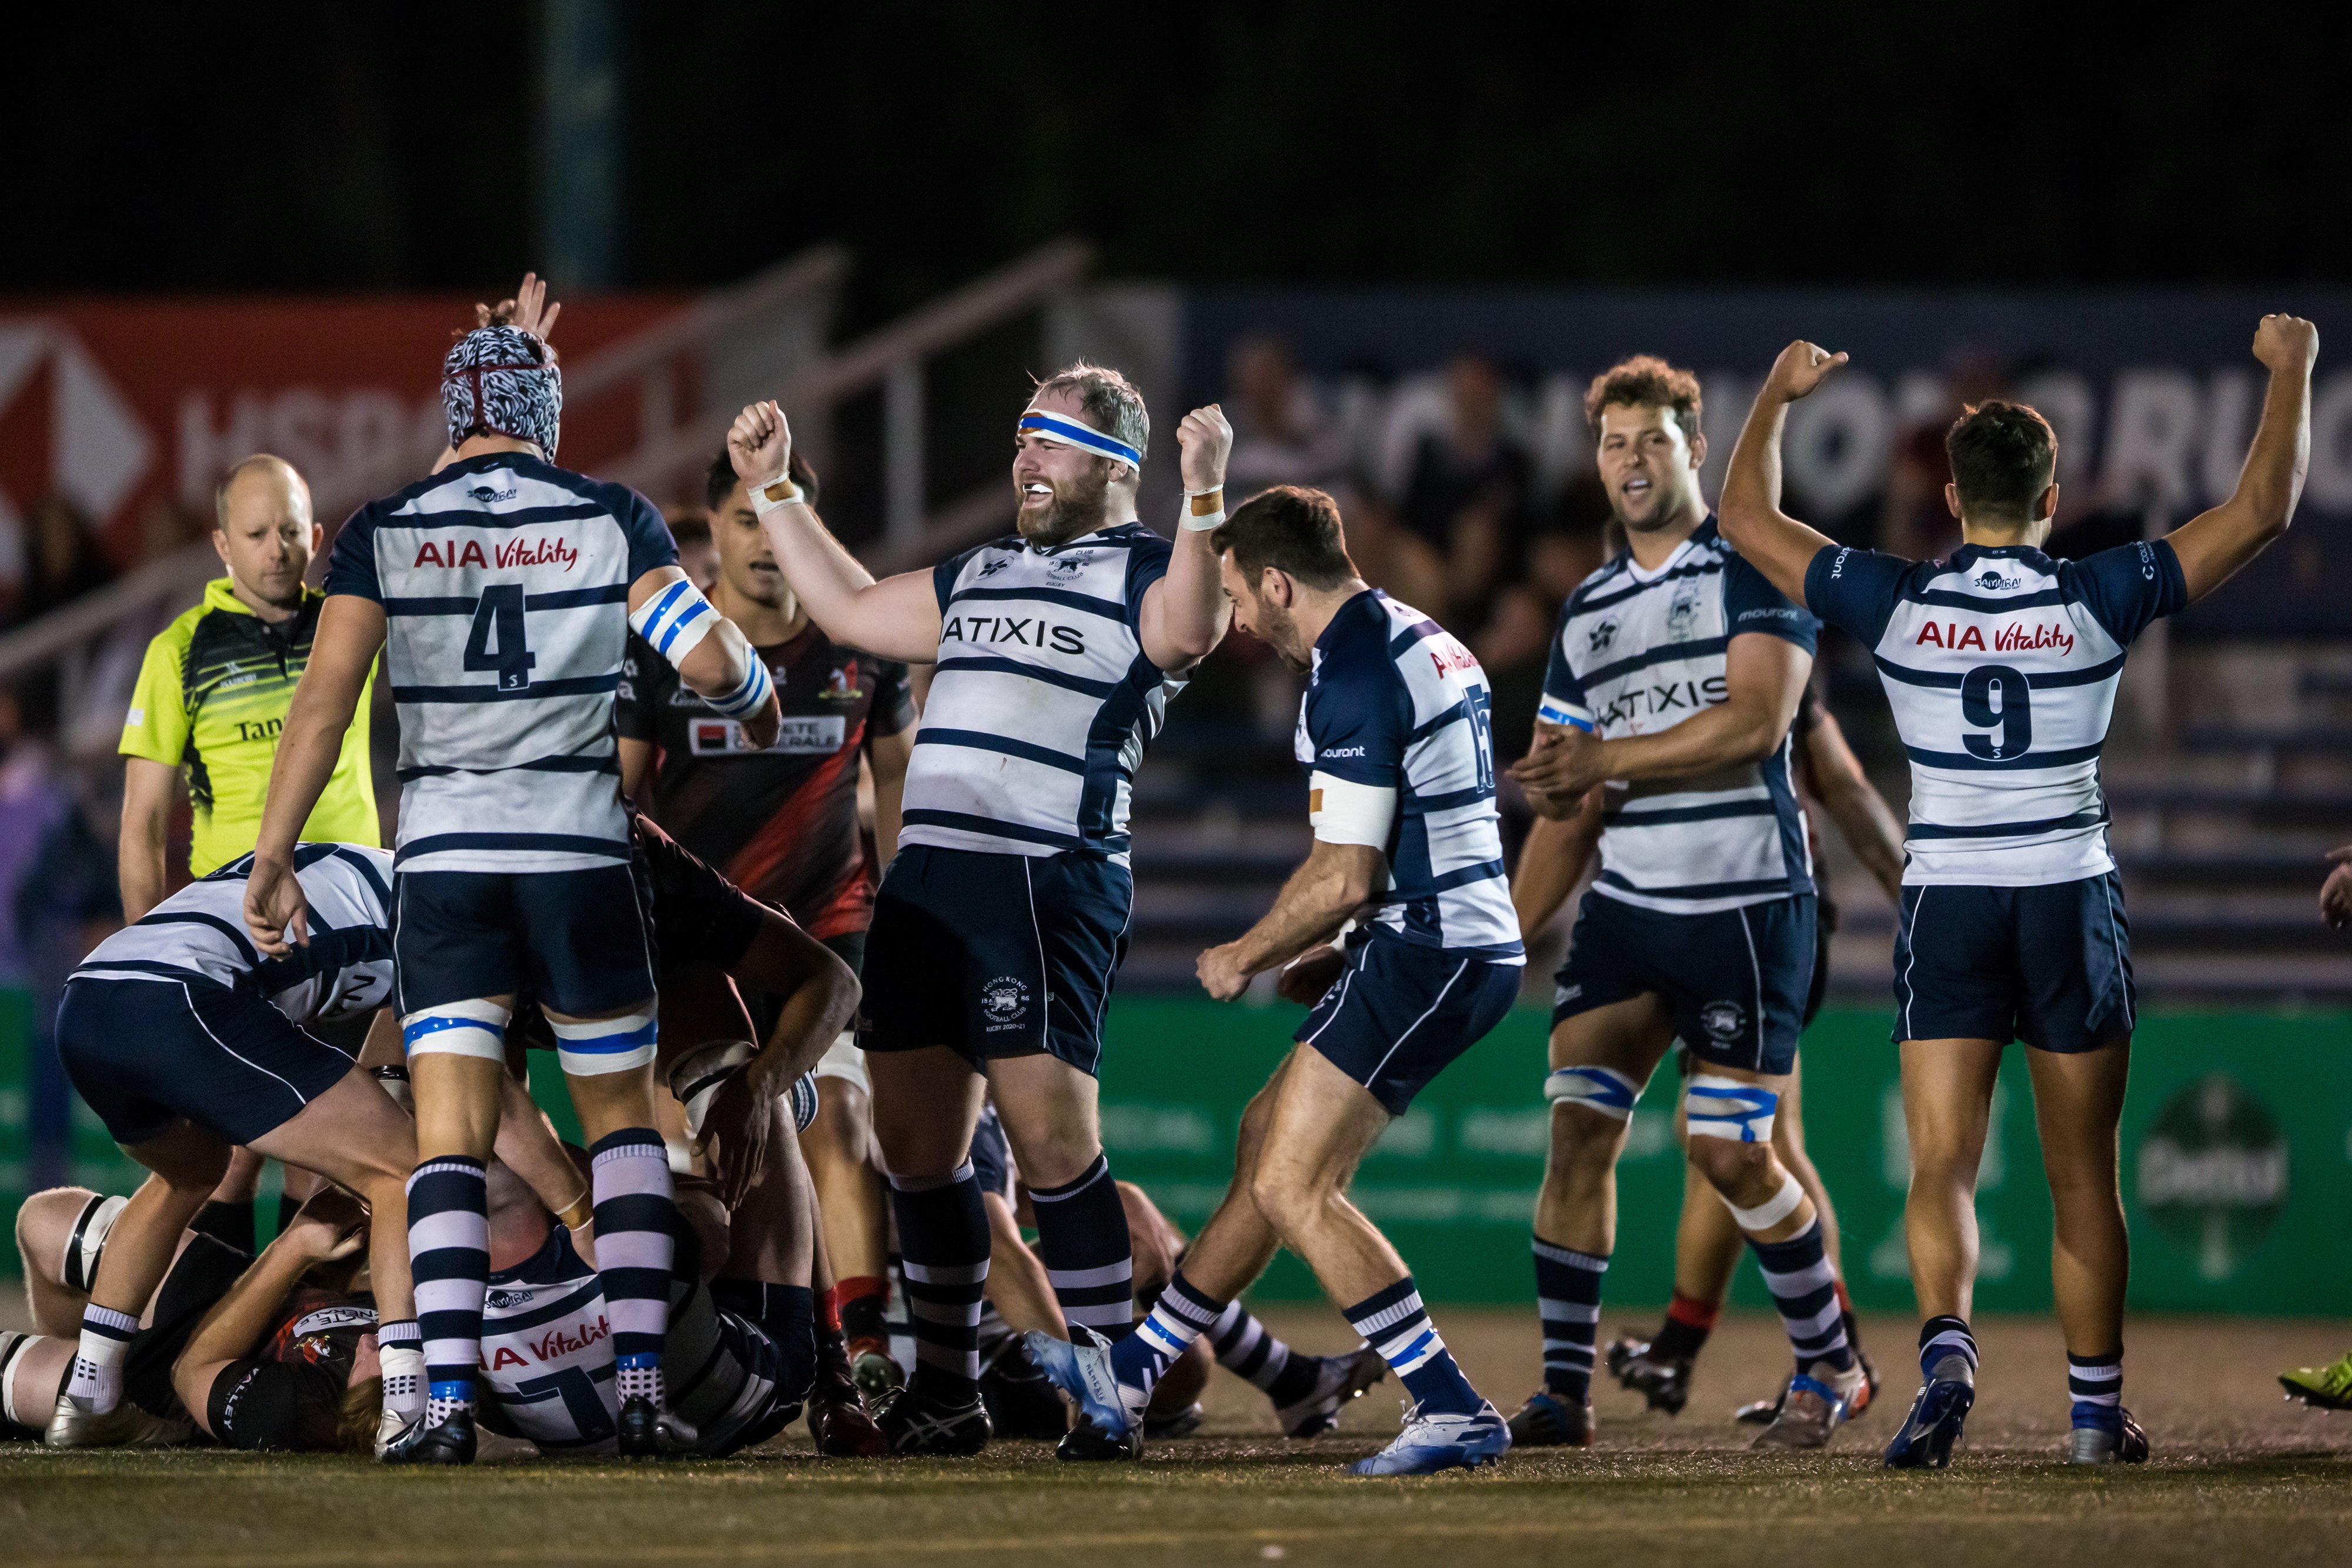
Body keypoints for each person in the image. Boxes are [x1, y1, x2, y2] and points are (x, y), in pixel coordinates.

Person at [1715, 315, 2318, 1468]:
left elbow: (1743, 519)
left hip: (1947, 899)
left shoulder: (1891, 598)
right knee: (2079, 1173)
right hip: (2063, 894)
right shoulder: (2101, 588)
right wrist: (2289, 373)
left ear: (1947, 494)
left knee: (1941, 1162)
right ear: (2050, 498)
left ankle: (1946, 1355)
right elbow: (2261, 511)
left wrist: (1778, 399)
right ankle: (2092, 1418)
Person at [243, 295, 782, 1464]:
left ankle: (440, 1408)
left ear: (454, 417)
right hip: (579, 858)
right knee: (619, 1126)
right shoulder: (613, 515)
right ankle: (641, 1388)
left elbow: (325, 707)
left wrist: (278, 852)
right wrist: (753, 693)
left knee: (447, 1137)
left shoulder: (387, 526)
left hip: (446, 868)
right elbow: (708, 661)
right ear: (547, 415)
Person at [729, 365, 1231, 1456]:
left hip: (1041, 878)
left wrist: (1204, 494)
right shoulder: (987, 567)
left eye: (1049, 441)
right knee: (917, 1151)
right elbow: (857, 610)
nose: (1025, 459)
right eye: (1020, 439)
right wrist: (775, 491)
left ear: (1115, 465)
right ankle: (949, 1395)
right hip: (929, 885)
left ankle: (1109, 1396)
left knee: (1053, 1145)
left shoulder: (1156, 566)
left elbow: (1192, 631)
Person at [1033, 486, 1521, 1475]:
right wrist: (1348, 944)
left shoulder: (1351, 668)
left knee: (1296, 1184)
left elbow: (1343, 872)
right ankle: (1132, 1372)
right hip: (1438, 937)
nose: (1240, 623)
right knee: (1267, 1140)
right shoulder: (1418, 634)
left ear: (1275, 580)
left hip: (1431, 945)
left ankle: (1450, 1403)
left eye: (1240, 599)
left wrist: (1241, 953)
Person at [1501, 357, 1857, 1452]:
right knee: (1575, 1135)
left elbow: (1757, 723)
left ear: (1696, 448)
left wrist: (1609, 755)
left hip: (1747, 904)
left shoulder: (1756, 566)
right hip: (1628, 909)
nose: (1633, 461)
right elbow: (1568, 805)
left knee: (1734, 1154)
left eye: (1654, 440)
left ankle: (1832, 1364)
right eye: (1614, 444)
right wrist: (1496, 939)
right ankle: (1566, 1393)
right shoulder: (1589, 609)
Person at [617, 450, 916, 1388]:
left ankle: (861, 1348)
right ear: (713, 531)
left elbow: (899, 778)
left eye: (774, 522)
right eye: (742, 521)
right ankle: (731, 1348)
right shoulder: (666, 647)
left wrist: (903, 907)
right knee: (694, 1172)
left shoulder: (860, 647)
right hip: (706, 950)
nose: (761, 545)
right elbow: (620, 802)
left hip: (828, 938)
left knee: (841, 1122)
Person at [1529, 686, 1903, 1421]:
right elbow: (1845, 786)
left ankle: (1826, 1359)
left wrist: (1918, 903)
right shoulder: (1732, 631)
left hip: (1758, 912)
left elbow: (1846, 788)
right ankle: (1704, 1346)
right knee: (1730, 1144)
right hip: (1696, 911)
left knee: (1751, 1147)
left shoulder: (1746, 635)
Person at [41, 844, 420, 1450]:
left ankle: (90, 1390)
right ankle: (409, 1403)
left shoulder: (373, 876)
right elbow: (471, 1068)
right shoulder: (445, 912)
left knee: (189, 1175)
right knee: (403, 1171)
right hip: (181, 999)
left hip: (88, 998)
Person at [119, 454, 379, 922]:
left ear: (316, 537)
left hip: (356, 907)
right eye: (256, 535)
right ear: (222, 544)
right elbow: (145, 822)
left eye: (291, 532)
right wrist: (147, 947)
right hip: (233, 915)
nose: (277, 550)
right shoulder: (177, 650)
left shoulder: (352, 625)